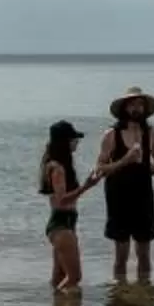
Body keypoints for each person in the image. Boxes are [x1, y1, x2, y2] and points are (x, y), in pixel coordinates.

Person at [95, 87, 154, 284]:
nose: (137, 108)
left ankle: (145, 294)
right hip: (118, 198)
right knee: (121, 254)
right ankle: (120, 295)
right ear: (124, 108)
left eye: (140, 104)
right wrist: (125, 160)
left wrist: (143, 163)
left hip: (143, 197)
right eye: (132, 104)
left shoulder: (152, 134)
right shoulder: (112, 134)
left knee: (144, 254)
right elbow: (100, 170)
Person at [38, 120, 104, 293]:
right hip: (62, 224)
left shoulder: (51, 164)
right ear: (64, 142)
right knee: (74, 277)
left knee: (58, 276)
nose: (77, 143)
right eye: (74, 139)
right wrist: (87, 186)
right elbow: (62, 201)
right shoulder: (58, 168)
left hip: (62, 223)